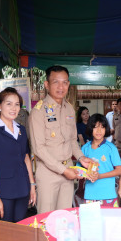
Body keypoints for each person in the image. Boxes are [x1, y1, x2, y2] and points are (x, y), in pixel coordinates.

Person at [29, 65, 91, 214]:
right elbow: (39, 149)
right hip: (48, 173)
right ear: (47, 84)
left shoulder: (69, 109)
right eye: (56, 82)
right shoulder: (38, 112)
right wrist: (63, 170)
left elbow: (71, 141)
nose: (61, 87)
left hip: (69, 170)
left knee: (64, 218)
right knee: (46, 217)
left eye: (64, 82)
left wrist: (81, 157)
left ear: (69, 84)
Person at [0, 87, 36, 222]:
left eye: (17, 104)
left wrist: (32, 186)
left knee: (20, 229)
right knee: (4, 235)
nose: (14, 108)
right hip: (2, 192)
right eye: (8, 104)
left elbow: (26, 159)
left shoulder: (21, 129)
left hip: (22, 189)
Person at [79, 114, 121, 207]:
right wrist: (86, 174)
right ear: (90, 129)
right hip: (90, 195)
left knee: (110, 221)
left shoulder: (111, 148)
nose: (99, 131)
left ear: (106, 129)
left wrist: (100, 176)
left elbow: (119, 170)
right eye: (95, 127)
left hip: (108, 195)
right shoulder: (85, 148)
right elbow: (79, 170)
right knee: (91, 221)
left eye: (102, 127)